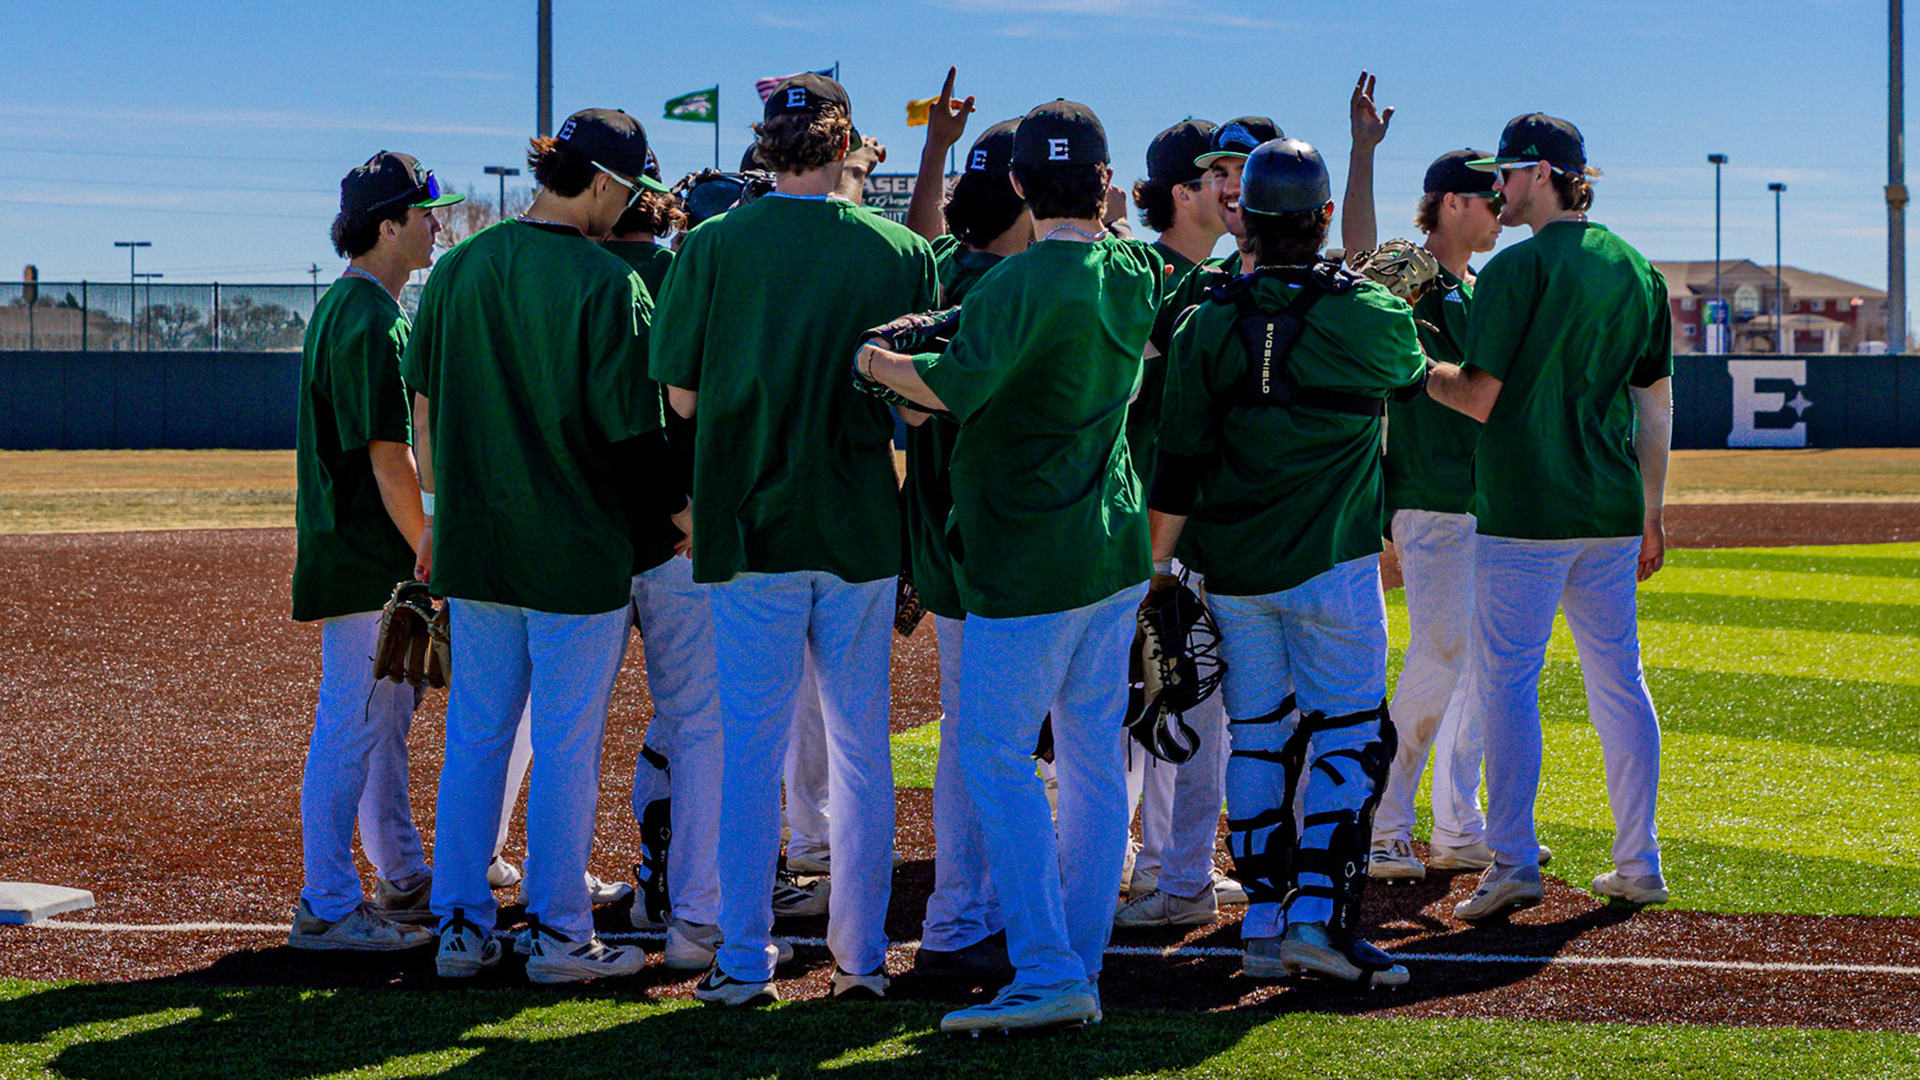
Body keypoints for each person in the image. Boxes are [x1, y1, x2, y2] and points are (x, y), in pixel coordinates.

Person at [860, 98, 1162, 1033]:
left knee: (994, 754)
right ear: (1106, 186)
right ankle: (1077, 957)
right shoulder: (1134, 267)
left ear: (1022, 184)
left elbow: (939, 389)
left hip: (1026, 557)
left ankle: (1045, 967)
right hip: (1109, 548)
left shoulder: (1015, 287)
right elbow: (1067, 299)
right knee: (1092, 759)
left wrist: (875, 360)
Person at [650, 73, 936, 1005]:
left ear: (767, 144)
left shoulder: (712, 245)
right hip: (857, 526)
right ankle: (861, 961)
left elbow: (682, 399)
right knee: (861, 754)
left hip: (748, 529)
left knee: (750, 751)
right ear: (847, 140)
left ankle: (742, 961)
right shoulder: (899, 249)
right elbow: (918, 411)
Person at [1151, 137, 1424, 987]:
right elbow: (1410, 372)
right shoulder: (1371, 313)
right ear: (1325, 219)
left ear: (1246, 218)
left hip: (1232, 570)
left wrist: (1155, 576)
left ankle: (1266, 919)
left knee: (1260, 738)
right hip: (1331, 566)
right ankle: (1319, 920)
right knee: (1349, 736)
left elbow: (1177, 466)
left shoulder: (1203, 324)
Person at [405, 108, 669, 984]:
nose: (623, 207)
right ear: (600, 182)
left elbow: (427, 411)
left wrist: (438, 514)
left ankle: (460, 928)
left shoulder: (458, 270)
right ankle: (560, 934)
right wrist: (675, 523)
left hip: (479, 544)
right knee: (563, 744)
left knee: (477, 737)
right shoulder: (607, 283)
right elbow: (634, 438)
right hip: (574, 551)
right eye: (625, 190)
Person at [1426, 113, 1673, 920]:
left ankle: (1511, 861)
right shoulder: (1638, 269)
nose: (1497, 188)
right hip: (1608, 508)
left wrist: (1406, 363)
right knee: (1619, 683)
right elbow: (1656, 408)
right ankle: (1639, 860)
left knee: (1508, 685)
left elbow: (1476, 397)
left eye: (1505, 173)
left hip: (1526, 509)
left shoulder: (1515, 271)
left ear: (1538, 172)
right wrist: (1653, 514)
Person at [287, 151, 462, 953]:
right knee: (354, 722)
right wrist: (433, 549)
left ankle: (398, 871)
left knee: (382, 718)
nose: (439, 224)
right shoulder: (369, 318)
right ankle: (326, 902)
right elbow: (389, 462)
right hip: (366, 557)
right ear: (388, 225)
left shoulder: (353, 308)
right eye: (426, 213)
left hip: (363, 555)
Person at [898, 66, 1029, 981]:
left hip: (946, 545)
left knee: (974, 731)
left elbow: (931, 230)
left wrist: (939, 147)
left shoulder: (953, 270)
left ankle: (969, 905)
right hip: (997, 547)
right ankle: (962, 913)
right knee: (994, 742)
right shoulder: (1025, 291)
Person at [1367, 149, 1510, 882]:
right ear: (1451, 202)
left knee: (1481, 668)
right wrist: (1363, 155)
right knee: (1440, 653)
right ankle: (1382, 823)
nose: (1502, 208)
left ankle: (1460, 827)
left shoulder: (1479, 286)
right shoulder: (1412, 286)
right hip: (1429, 491)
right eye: (1490, 197)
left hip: (1481, 498)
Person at [1112, 117, 1240, 930]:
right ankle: (1128, 858)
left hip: (1192, 527)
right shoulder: (1144, 272)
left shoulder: (1222, 279)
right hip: (1141, 525)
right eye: (1217, 171)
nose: (1234, 183)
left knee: (1188, 706)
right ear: (1178, 191)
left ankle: (1167, 862)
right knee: (1138, 708)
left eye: (1240, 169)